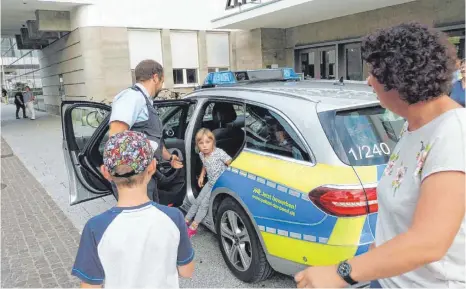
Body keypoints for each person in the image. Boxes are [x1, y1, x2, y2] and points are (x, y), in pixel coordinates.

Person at [295, 22, 465, 288]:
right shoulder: (413, 127)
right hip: (389, 280)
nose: (369, 81)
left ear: (400, 78)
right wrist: (373, 258)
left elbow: (429, 242)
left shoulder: (454, 135)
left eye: (375, 73)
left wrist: (340, 272)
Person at [71, 131, 194, 288]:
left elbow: (90, 286)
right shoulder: (174, 217)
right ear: (152, 167)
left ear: (105, 172)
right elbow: (187, 271)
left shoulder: (95, 228)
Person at [109, 59, 183, 203]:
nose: (161, 86)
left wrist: (170, 158)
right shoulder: (132, 97)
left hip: (145, 174)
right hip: (134, 179)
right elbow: (116, 138)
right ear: (155, 77)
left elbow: (153, 139)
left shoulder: (145, 101)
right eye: (162, 81)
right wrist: (131, 177)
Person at [185, 128, 232, 237]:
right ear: (197, 145)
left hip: (218, 184)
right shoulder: (202, 154)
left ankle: (194, 226)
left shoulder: (219, 153)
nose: (205, 146)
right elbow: (205, 165)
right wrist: (202, 175)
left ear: (213, 142)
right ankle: (186, 219)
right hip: (210, 181)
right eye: (201, 143)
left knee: (203, 204)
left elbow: (231, 164)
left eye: (208, 142)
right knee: (197, 201)